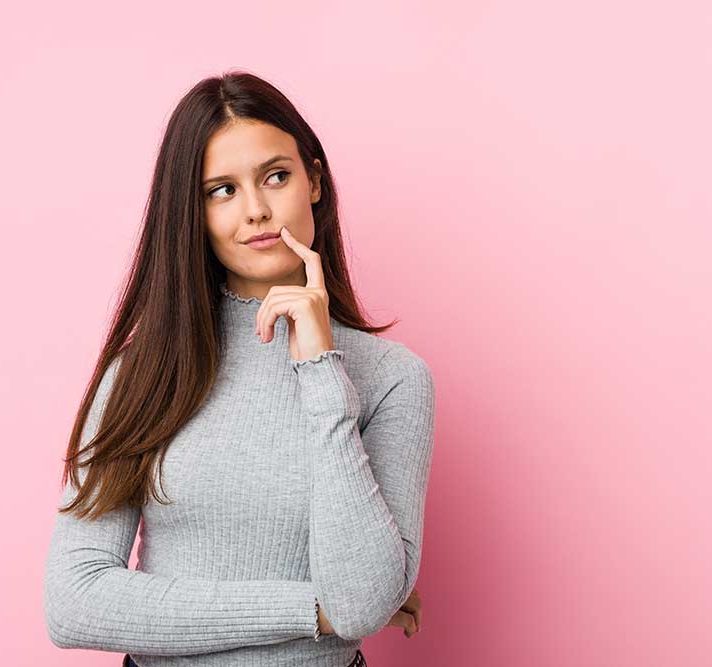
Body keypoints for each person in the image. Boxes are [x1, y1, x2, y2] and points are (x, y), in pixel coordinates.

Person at [42, 70, 434, 667]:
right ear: (193, 212)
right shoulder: (145, 374)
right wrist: (313, 611)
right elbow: (74, 601)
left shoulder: (392, 379)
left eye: (275, 176)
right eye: (221, 190)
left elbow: (360, 601)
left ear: (314, 181)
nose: (256, 211)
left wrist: (321, 367)